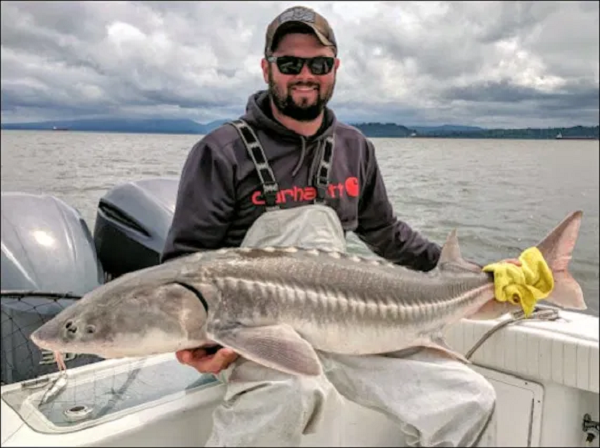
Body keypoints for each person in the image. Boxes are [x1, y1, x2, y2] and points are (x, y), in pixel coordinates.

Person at [161, 5, 497, 447]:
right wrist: (203, 343)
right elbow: (183, 270)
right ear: (267, 69)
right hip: (256, 336)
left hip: (346, 324)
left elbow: (387, 233)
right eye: (290, 64)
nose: (305, 74)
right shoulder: (221, 151)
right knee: (293, 391)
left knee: (470, 399)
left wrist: (476, 274)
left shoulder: (355, 147)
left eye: (318, 64)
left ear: (334, 69)